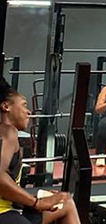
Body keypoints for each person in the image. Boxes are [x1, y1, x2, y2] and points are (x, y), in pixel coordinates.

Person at [0, 76, 81, 224]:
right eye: (24, 105)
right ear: (6, 107)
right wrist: (36, 202)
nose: (28, 111)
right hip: (3, 212)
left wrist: (39, 198)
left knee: (65, 202)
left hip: (11, 208)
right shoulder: (8, 132)